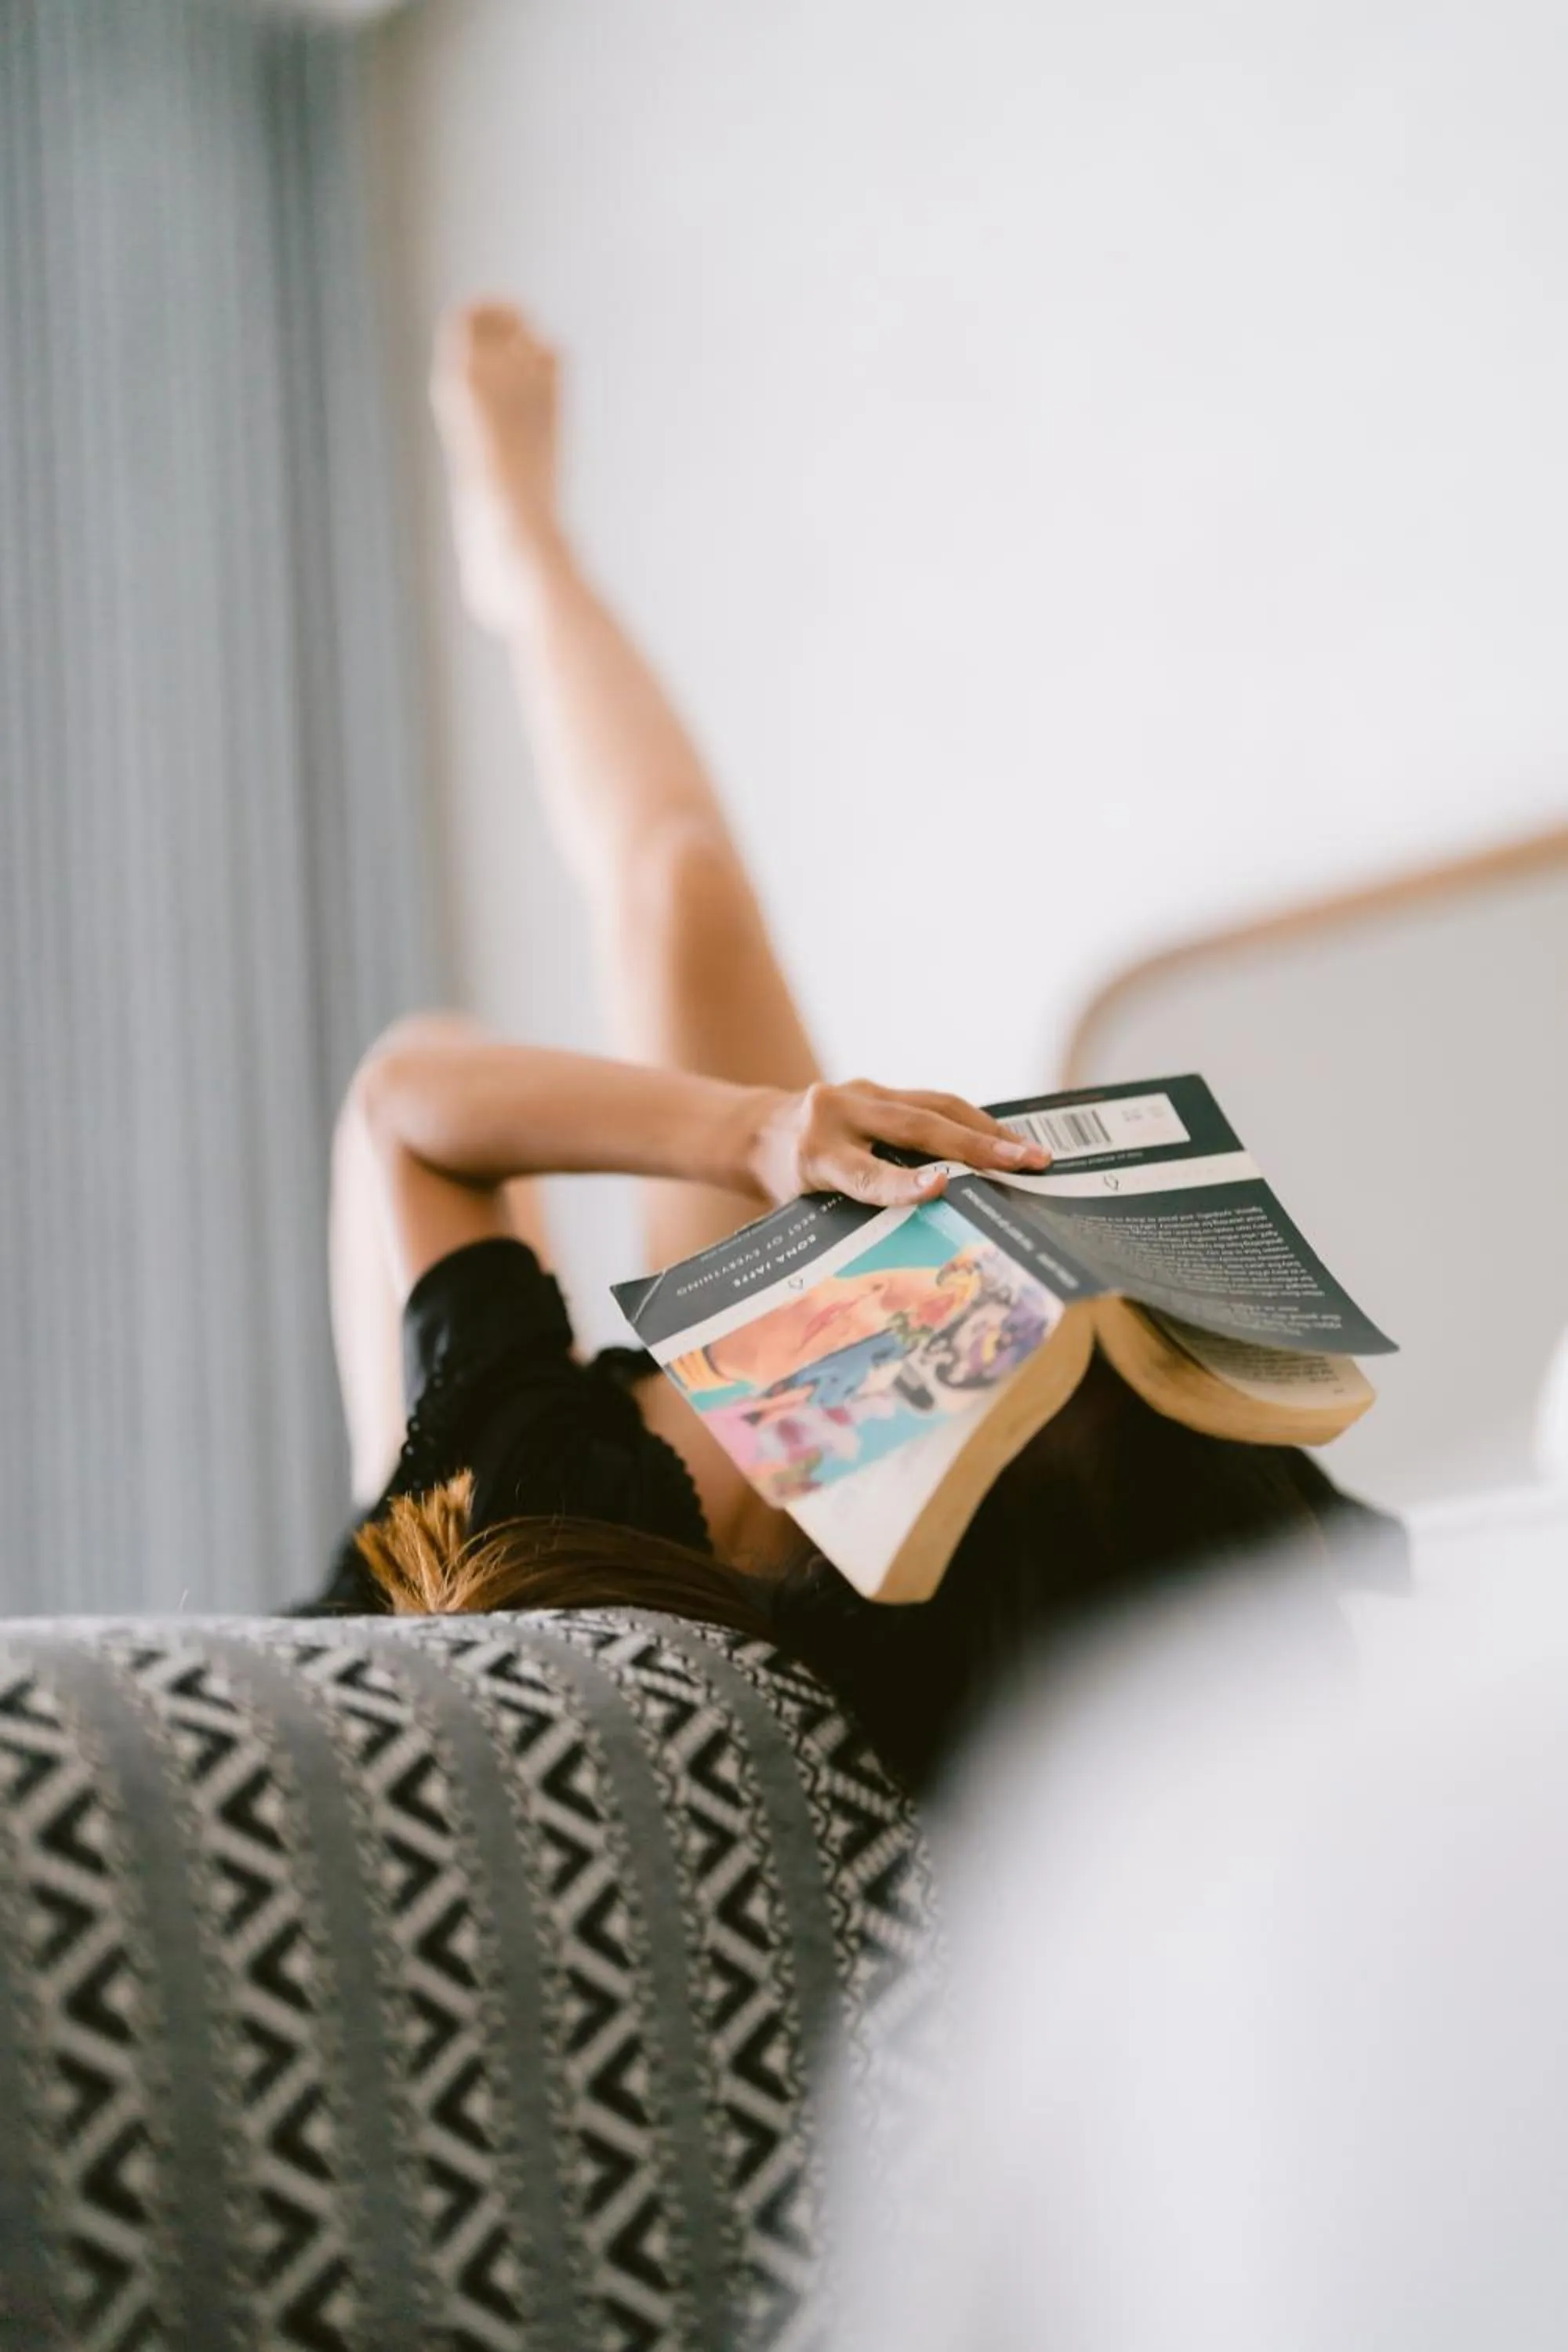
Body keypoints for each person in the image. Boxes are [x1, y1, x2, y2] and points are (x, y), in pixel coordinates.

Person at [299, 303, 1405, 1795]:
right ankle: (529, 556)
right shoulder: (988, 1654)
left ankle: (521, 550)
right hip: (737, 1527)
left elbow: (406, 1104)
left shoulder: (537, 1494)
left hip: (443, 1554)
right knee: (686, 896)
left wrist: (747, 1134)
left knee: (458, 1038)